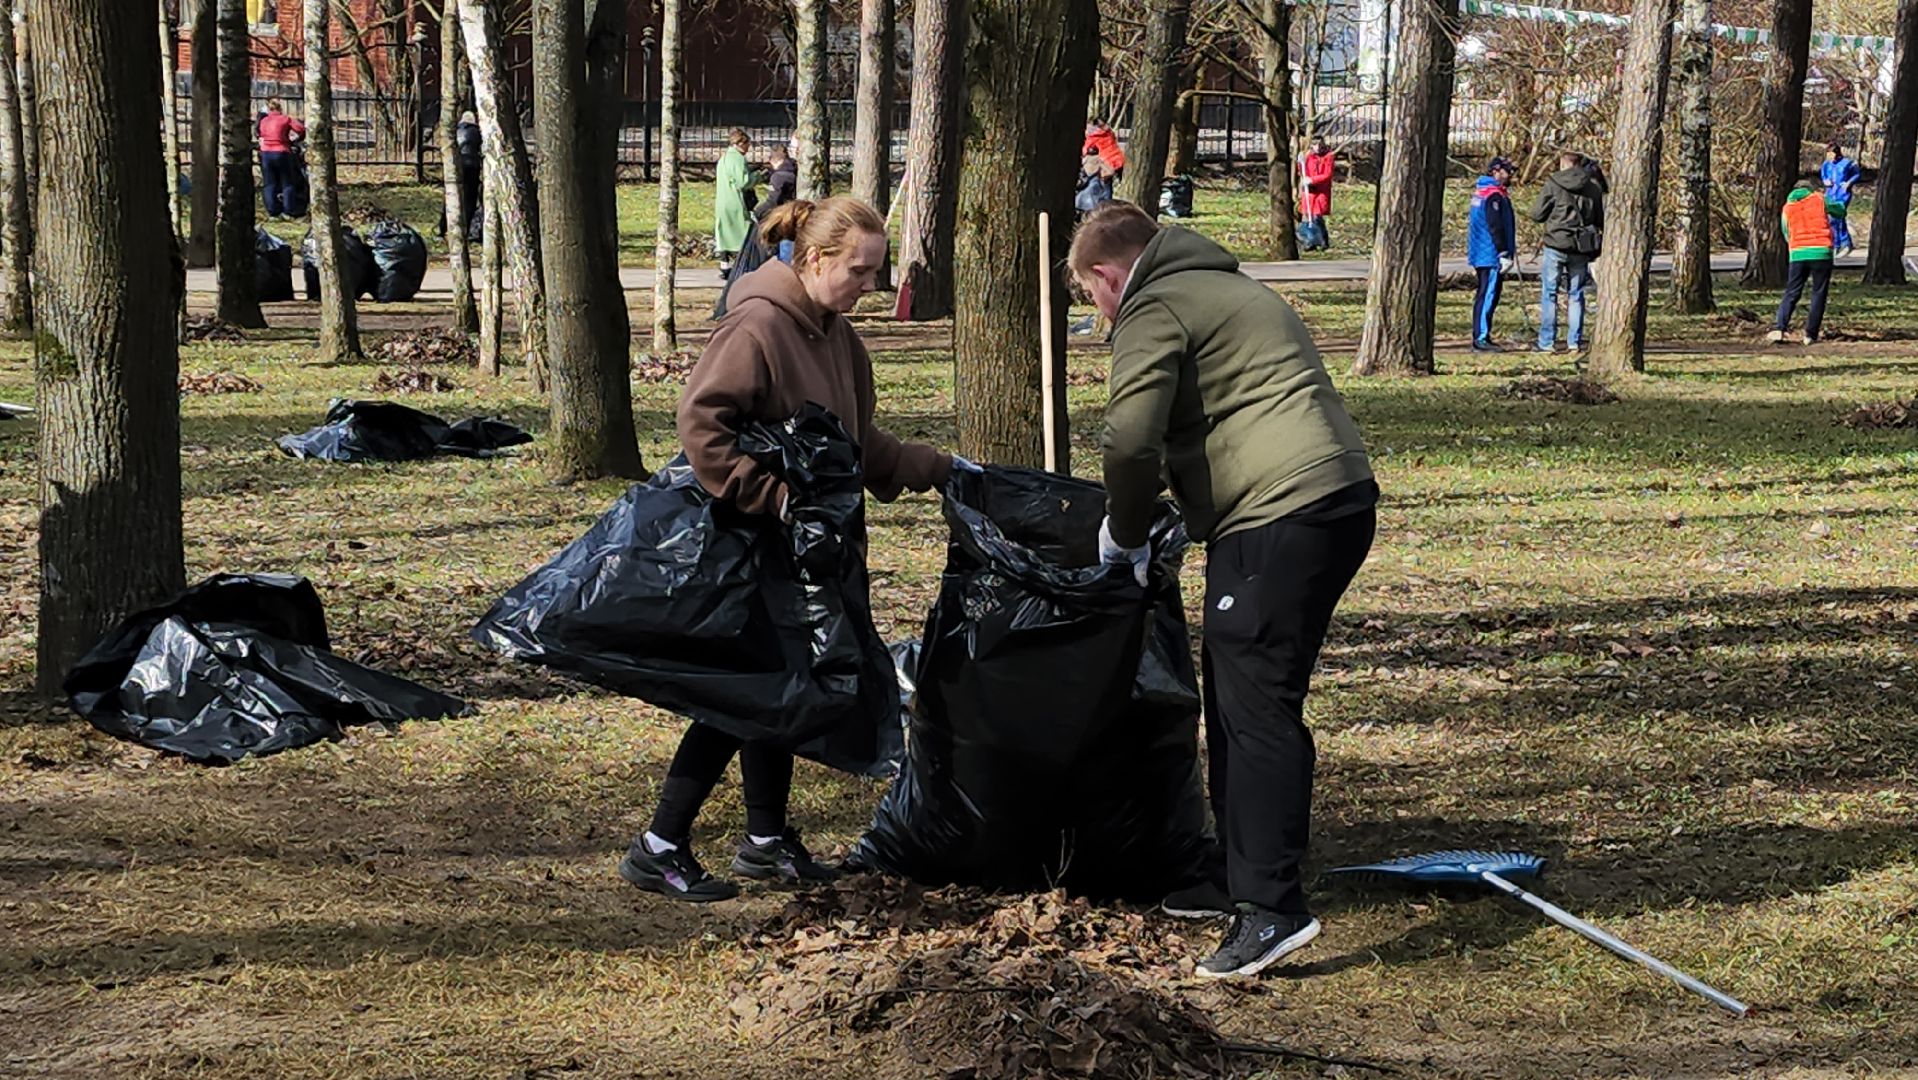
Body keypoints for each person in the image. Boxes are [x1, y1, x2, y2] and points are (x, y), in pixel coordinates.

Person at [621, 196, 972, 903]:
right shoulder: (757, 326)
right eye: (859, 271)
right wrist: (774, 498)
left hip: (807, 553)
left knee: (780, 688)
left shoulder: (836, 335)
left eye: (875, 272)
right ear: (814, 259)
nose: (868, 287)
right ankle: (658, 843)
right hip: (752, 546)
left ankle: (765, 840)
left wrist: (939, 469)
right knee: (742, 693)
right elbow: (701, 426)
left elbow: (854, 447)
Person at [1069, 202, 1376, 979]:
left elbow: (1128, 438)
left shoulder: (1155, 303)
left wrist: (1126, 531)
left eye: (1091, 297)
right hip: (1328, 499)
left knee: (1256, 701)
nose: (1100, 314)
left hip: (1282, 511)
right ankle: (1235, 871)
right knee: (1241, 690)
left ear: (1107, 275)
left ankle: (1271, 910)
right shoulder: (1222, 284)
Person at [1530, 151, 1605, 354]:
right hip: (1581, 246)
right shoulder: (1593, 188)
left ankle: (1547, 342)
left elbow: (1537, 214)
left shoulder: (1553, 184)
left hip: (1556, 244)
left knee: (1550, 293)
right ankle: (1574, 341)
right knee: (1576, 294)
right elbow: (1600, 219)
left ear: (1562, 164)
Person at [1770, 169, 1840, 346]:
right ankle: (1810, 334)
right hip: (1821, 251)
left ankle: (1780, 327)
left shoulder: (1787, 208)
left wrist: (1795, 246)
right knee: (1818, 292)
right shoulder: (1818, 199)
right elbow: (1840, 210)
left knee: (1792, 291)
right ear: (1810, 189)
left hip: (1798, 253)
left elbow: (1786, 232)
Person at [1467, 157, 1519, 351]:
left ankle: (1483, 335)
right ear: (1495, 172)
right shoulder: (1493, 195)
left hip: (1486, 252)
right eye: (1507, 171)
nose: (1510, 175)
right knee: (1488, 294)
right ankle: (1480, 338)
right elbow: (1495, 225)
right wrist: (1503, 252)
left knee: (1488, 293)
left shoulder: (1485, 192)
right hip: (1490, 254)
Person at [715, 129, 756, 278]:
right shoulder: (738, 158)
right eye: (748, 144)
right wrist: (758, 176)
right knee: (743, 233)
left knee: (724, 233)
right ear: (741, 143)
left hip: (722, 201)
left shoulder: (724, 158)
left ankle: (724, 265)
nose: (749, 148)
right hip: (735, 202)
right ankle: (744, 264)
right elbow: (743, 182)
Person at [257, 100, 307, 220]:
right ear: (280, 109)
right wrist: (294, 140)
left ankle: (273, 212)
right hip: (282, 152)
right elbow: (300, 129)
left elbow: (259, 133)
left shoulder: (263, 121)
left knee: (269, 183)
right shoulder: (285, 119)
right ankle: (288, 211)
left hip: (266, 153)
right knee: (287, 182)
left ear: (269, 110)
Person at [1821, 141, 1860, 258]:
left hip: (1842, 194)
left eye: (1830, 153)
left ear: (1836, 153)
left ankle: (1845, 243)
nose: (1828, 156)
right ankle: (1837, 244)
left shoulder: (1847, 163)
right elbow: (1823, 175)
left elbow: (1857, 174)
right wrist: (1825, 181)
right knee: (1832, 219)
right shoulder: (1826, 164)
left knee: (1838, 216)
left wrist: (1848, 183)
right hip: (1830, 194)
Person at [1298, 137, 1335, 251]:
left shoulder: (1328, 156)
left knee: (1317, 216)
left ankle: (1323, 240)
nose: (1318, 147)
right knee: (1308, 215)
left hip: (1321, 190)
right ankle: (1311, 241)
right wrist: (1300, 164)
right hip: (1309, 191)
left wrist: (1313, 180)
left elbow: (1327, 174)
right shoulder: (1309, 156)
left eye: (1320, 144)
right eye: (1315, 145)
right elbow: (1302, 169)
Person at [456, 110, 483, 238]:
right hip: (472, 166)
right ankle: (467, 226)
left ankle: (443, 226)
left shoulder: (456, 131)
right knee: (470, 198)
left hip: (458, 165)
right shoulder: (477, 132)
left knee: (455, 195)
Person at [1084, 118, 1126, 183]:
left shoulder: (1093, 137)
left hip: (1108, 161)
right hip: (1120, 157)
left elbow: (1085, 149)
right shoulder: (1109, 132)